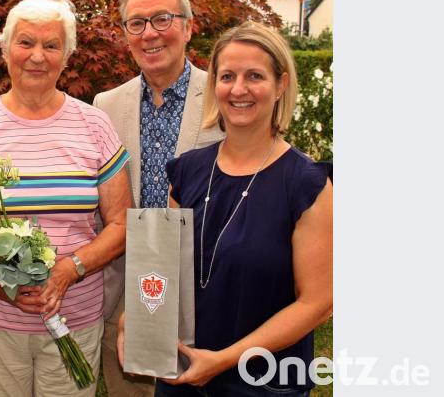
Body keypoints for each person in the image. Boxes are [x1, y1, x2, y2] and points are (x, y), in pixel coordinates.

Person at [0, 0, 132, 396]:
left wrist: (70, 268)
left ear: (67, 56)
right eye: (25, 43)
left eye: (51, 45)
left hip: (73, 319)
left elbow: (122, 224)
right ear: (4, 49)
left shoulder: (95, 125)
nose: (37, 56)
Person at [119, 21, 333, 396]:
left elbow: (318, 303)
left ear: (281, 84)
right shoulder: (187, 170)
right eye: (227, 76)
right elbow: (164, 270)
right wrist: (133, 320)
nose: (239, 89)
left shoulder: (306, 184)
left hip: (262, 382)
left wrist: (226, 359)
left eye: (255, 76)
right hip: (182, 372)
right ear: (213, 86)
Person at [92, 0, 224, 397]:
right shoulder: (106, 106)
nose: (149, 33)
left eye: (162, 19)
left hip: (205, 286)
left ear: (188, 27)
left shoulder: (226, 96)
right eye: (136, 23)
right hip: (128, 288)